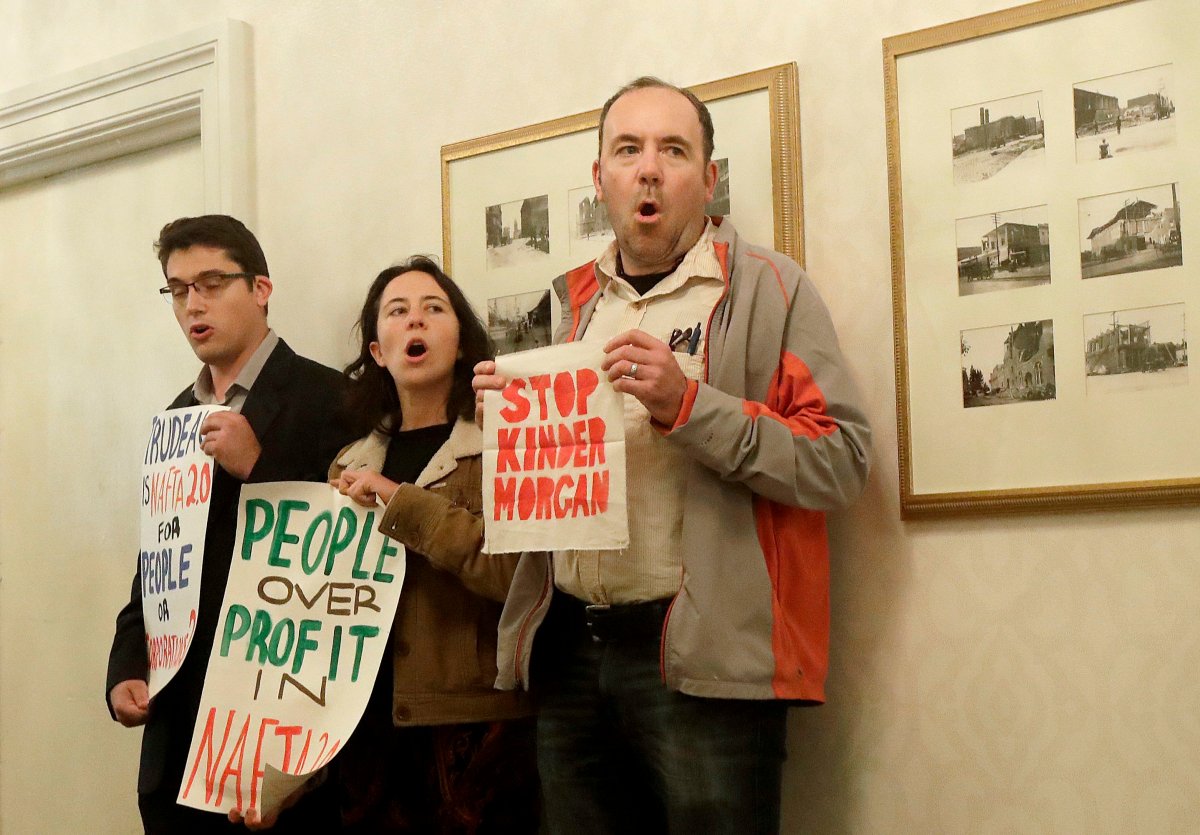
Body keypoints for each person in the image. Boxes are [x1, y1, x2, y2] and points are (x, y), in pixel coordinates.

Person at [474, 77, 872, 834]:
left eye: (673, 150)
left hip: (701, 667)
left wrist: (688, 407)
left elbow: (841, 458)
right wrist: (504, 423)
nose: (648, 169)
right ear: (600, 179)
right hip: (569, 655)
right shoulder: (568, 306)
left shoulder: (772, 291)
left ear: (709, 179)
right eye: (627, 150)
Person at [106, 215, 352, 833]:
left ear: (261, 288)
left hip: (280, 722)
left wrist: (260, 469)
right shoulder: (174, 416)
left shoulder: (334, 398)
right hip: (180, 731)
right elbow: (158, 566)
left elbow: (355, 554)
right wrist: (127, 664)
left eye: (213, 282)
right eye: (179, 288)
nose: (195, 303)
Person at [329, 256, 539, 834]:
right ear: (376, 349)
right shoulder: (347, 464)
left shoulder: (506, 445)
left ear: (460, 338)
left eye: (433, 310)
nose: (415, 322)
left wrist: (404, 503)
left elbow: (518, 576)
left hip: (477, 731)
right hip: (366, 733)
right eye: (397, 312)